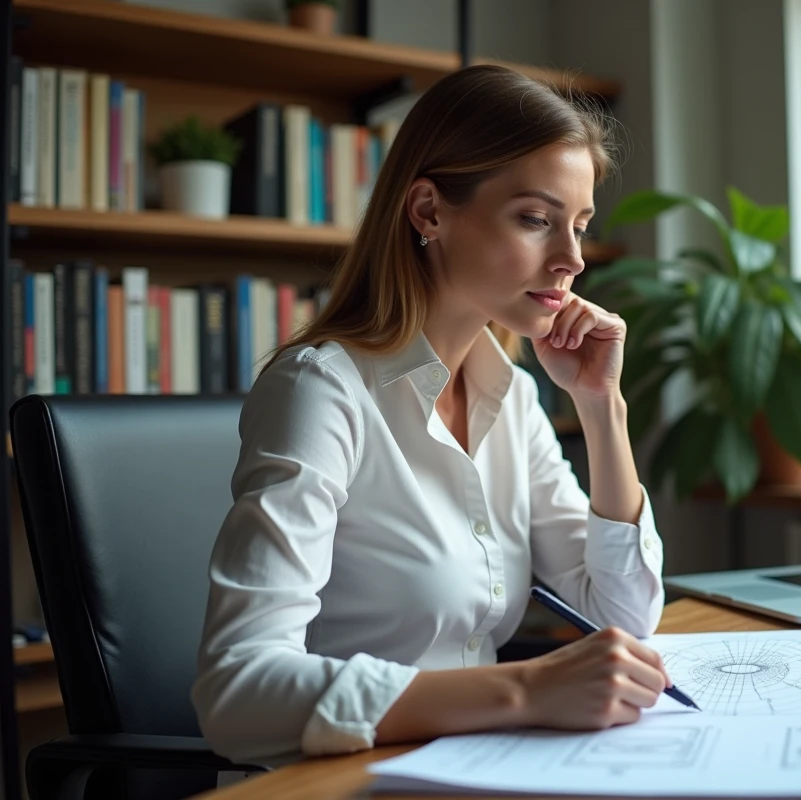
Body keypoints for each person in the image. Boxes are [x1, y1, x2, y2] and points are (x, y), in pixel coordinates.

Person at [191, 64, 670, 767]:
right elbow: (236, 691)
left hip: (474, 766)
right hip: (344, 778)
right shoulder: (320, 392)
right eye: (536, 220)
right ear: (428, 212)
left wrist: (603, 408)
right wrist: (527, 689)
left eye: (580, 225)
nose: (571, 259)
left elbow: (624, 618)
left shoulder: (511, 399)